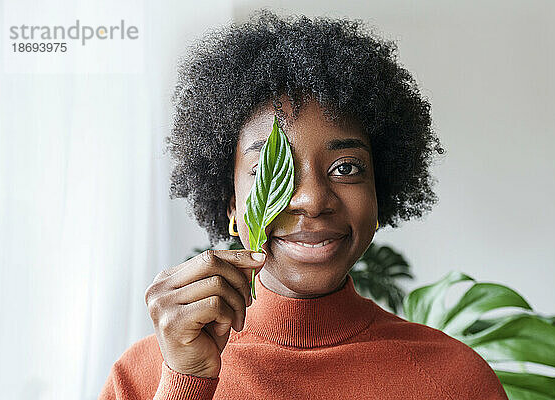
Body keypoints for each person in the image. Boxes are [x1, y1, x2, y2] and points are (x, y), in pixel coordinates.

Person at [99, 9, 508, 399]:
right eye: (274, 170)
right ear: (230, 205)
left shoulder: (453, 380)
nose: (312, 200)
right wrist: (185, 383)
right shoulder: (142, 376)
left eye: (345, 168)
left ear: (379, 194)